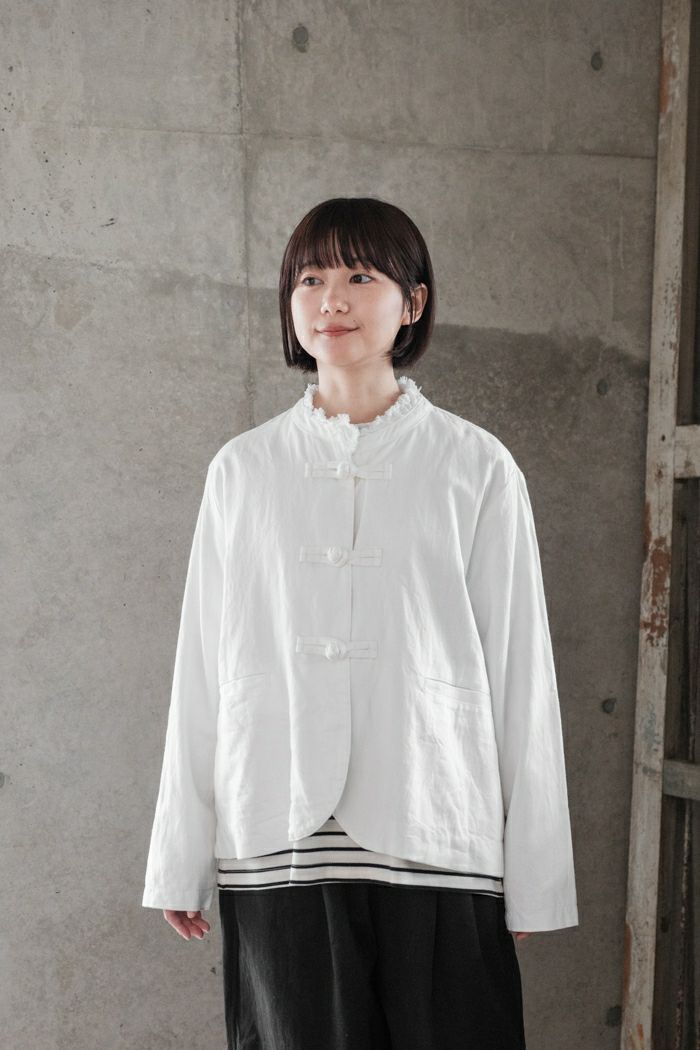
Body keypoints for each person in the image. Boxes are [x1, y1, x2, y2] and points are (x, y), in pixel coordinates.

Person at [142, 196, 579, 1049]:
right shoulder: (243, 471)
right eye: (309, 279)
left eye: (359, 276)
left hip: (436, 829)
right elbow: (201, 671)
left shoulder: (475, 466)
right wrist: (179, 855)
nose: (330, 299)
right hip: (279, 836)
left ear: (413, 302)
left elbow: (522, 671)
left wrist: (534, 872)